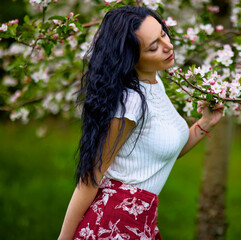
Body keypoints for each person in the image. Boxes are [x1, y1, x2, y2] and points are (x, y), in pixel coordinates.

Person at [58, 5, 224, 240]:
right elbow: (91, 178)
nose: (168, 46)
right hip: (116, 220)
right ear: (131, 58)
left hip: (140, 218)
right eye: (153, 47)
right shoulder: (131, 102)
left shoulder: (154, 82)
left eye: (163, 34)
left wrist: (206, 122)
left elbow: (162, 155)